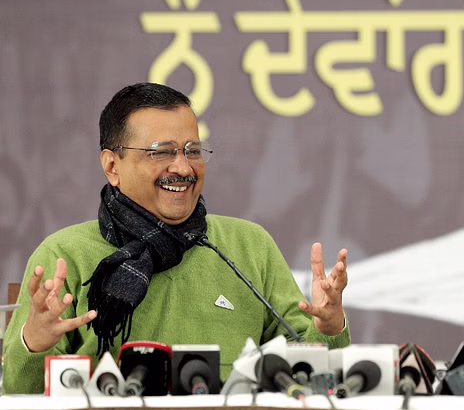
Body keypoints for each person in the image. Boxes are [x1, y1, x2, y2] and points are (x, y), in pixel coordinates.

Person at [3, 83, 351, 394]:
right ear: (112, 166)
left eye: (192, 151)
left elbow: (310, 376)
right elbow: (21, 394)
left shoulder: (249, 245)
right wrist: (35, 343)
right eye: (161, 152)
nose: (183, 168)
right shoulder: (65, 255)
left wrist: (330, 327)